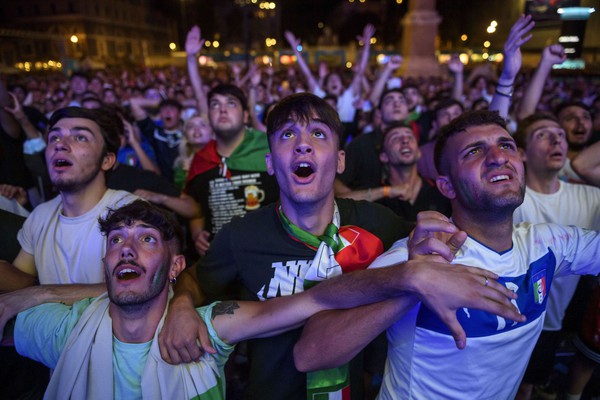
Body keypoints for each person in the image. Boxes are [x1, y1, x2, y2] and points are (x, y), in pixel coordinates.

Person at [161, 94, 523, 400]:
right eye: (287, 135)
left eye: (318, 133)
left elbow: (438, 254)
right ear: (271, 164)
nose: (303, 144)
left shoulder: (379, 223)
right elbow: (195, 279)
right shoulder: (243, 235)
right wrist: (180, 303)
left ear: (339, 161)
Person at [12, 199, 521, 400]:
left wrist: (411, 276)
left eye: (146, 239)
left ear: (173, 266)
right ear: (105, 265)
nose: (127, 247)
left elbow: (314, 301)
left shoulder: (212, 327)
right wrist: (35, 294)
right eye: (117, 242)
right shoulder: (64, 329)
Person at [294, 110, 600, 399]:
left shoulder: (549, 243)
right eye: (474, 152)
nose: (498, 158)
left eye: (506, 145)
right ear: (447, 186)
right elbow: (311, 354)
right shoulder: (422, 257)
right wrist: (412, 284)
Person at [511, 113, 600, 399]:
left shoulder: (590, 198)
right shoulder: (510, 198)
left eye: (560, 134)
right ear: (522, 153)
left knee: (528, 385)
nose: (556, 139)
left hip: (552, 321)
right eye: (542, 135)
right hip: (511, 318)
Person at [185, 84, 279, 256]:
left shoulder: (271, 148)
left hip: (270, 252)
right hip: (221, 256)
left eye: (231, 103)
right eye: (215, 104)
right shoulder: (201, 159)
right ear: (209, 117)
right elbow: (196, 209)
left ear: (245, 116)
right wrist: (197, 234)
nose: (222, 110)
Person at [376, 122, 451, 221]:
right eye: (395, 138)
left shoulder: (439, 190)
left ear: (419, 152)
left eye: (410, 137)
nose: (405, 140)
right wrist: (386, 191)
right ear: (384, 156)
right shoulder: (376, 194)